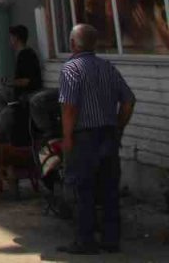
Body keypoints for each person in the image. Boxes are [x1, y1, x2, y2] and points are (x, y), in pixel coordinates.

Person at [57, 23, 136, 255]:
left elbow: (69, 107)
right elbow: (129, 101)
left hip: (85, 137)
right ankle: (111, 240)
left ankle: (85, 241)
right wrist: (118, 127)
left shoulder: (71, 69)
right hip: (108, 135)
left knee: (84, 189)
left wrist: (67, 137)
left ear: (73, 44)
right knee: (109, 189)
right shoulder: (108, 67)